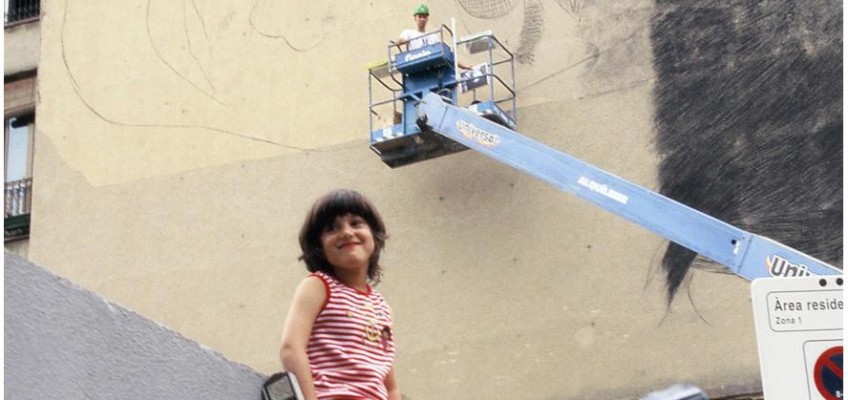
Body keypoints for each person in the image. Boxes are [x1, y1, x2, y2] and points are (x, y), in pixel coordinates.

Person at [279, 189, 400, 400]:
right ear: (319, 246)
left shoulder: (381, 307)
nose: (346, 232)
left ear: (374, 234)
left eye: (356, 223)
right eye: (332, 228)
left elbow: (389, 386)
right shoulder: (319, 286)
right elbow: (291, 348)